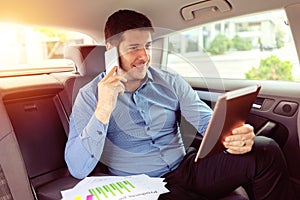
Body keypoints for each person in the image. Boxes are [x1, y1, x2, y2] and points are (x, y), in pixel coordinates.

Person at [65, 9, 296, 199]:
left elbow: (207, 123)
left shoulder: (171, 81)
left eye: (148, 46)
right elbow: (77, 167)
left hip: (186, 168)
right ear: (111, 50)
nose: (144, 56)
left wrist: (234, 136)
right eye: (134, 48)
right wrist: (103, 109)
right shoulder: (89, 96)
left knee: (265, 148)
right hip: (142, 186)